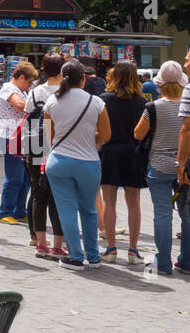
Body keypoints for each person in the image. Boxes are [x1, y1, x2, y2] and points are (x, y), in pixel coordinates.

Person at [42, 59, 110, 267]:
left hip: (60, 161)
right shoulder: (96, 102)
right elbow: (106, 135)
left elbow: (49, 136)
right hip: (88, 162)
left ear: (63, 78)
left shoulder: (52, 102)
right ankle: (94, 256)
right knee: (88, 210)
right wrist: (90, 137)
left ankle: (75, 256)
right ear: (83, 79)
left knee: (67, 211)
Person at [139, 60, 190, 275]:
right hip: (185, 166)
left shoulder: (153, 107)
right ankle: (186, 261)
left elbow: (138, 133)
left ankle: (164, 263)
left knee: (162, 214)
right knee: (187, 215)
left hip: (159, 166)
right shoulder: (187, 105)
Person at [98, 60, 147, 265]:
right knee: (134, 203)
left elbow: (99, 130)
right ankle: (133, 251)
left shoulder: (103, 100)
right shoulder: (142, 102)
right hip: (133, 153)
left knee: (109, 202)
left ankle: (111, 248)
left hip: (109, 152)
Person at [22, 55, 67, 260]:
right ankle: (58, 244)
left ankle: (40, 243)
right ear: (62, 70)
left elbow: (27, 118)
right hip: (60, 145)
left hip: (36, 147)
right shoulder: (67, 92)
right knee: (58, 197)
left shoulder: (36, 92)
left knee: (38, 195)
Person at [0, 62, 37, 224]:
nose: (29, 85)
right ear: (21, 77)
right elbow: (20, 105)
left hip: (21, 137)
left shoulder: (21, 90)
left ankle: (20, 210)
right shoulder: (9, 89)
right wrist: (38, 102)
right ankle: (5, 211)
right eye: (28, 82)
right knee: (15, 177)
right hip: (9, 136)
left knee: (26, 177)